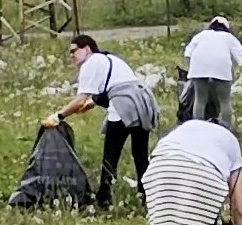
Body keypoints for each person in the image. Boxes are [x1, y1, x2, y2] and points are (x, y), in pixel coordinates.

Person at [43, 35, 160, 210]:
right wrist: (93, 102)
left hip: (123, 106)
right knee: (141, 155)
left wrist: (57, 116)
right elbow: (113, 86)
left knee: (110, 157)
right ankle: (147, 197)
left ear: (87, 49)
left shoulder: (90, 63)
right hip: (142, 102)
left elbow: (80, 99)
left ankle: (104, 199)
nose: (71, 56)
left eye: (74, 51)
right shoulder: (109, 58)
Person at [183, 16, 242, 127]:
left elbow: (188, 53)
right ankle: (225, 129)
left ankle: (198, 128)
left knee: (200, 99)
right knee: (224, 100)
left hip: (199, 68)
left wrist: (189, 68)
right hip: (221, 68)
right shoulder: (228, 38)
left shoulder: (200, 36)